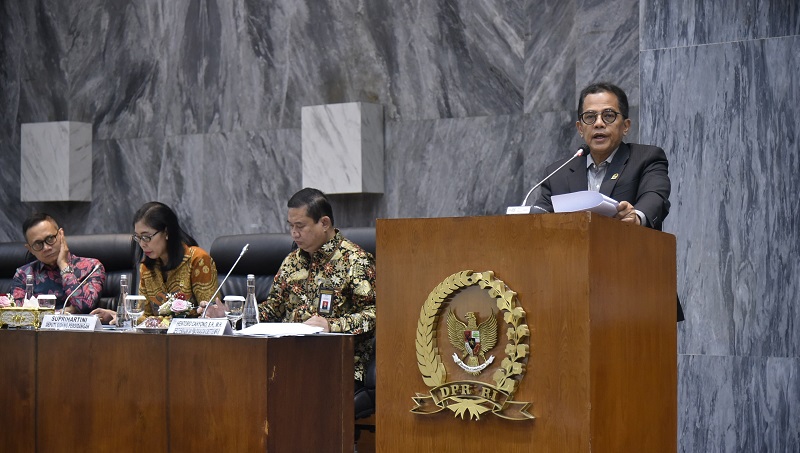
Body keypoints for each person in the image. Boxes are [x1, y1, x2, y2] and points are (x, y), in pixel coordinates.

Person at [533, 82, 683, 320]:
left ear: (626, 126)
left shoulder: (646, 159)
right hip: (572, 297)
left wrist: (636, 217)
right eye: (590, 117)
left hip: (636, 296)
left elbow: (655, 196)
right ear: (580, 128)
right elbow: (539, 214)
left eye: (609, 115)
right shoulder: (559, 172)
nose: (599, 123)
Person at [257, 188, 376, 383]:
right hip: (287, 358)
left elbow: (373, 315)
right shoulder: (291, 261)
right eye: (291, 226)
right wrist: (234, 315)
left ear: (324, 223)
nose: (294, 234)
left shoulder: (355, 260)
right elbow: (273, 308)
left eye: (300, 226)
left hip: (336, 363)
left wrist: (332, 325)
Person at [92, 202, 219, 324]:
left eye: (146, 237)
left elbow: (210, 315)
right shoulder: (147, 268)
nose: (142, 244)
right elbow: (146, 316)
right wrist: (120, 316)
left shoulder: (198, 260)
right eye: (138, 237)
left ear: (167, 232)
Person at [11, 213, 106, 314]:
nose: (46, 248)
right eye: (38, 244)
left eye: (50, 239)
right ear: (30, 249)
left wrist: (63, 265)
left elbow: (86, 306)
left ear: (61, 235)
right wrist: (62, 312)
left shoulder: (92, 267)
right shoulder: (23, 274)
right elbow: (19, 316)